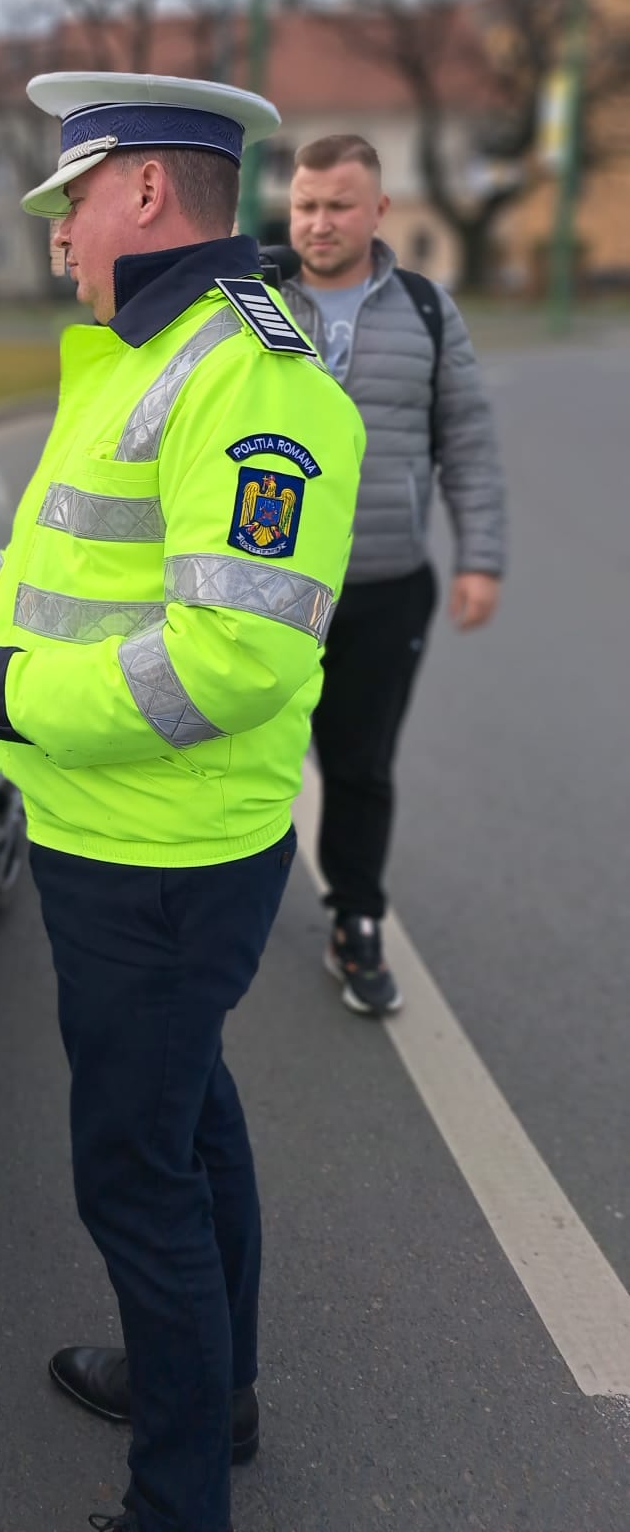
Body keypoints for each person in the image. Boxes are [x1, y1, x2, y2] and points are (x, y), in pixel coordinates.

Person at [0, 73, 365, 1532]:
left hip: (163, 856)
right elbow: (33, 587)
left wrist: (7, 700)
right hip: (125, 843)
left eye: (70, 201)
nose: (53, 234)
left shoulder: (250, 375)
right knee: (187, 1121)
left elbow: (234, 656)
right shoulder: (131, 358)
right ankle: (214, 1391)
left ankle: (181, 1499)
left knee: (135, 1176)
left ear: (148, 192)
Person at [280, 133, 506, 1015]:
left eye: (339, 205)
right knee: (234, 756)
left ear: (379, 211)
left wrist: (479, 558)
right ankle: (224, 909)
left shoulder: (424, 308)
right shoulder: (253, 299)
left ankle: (355, 917)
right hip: (265, 589)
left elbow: (470, 443)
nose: (319, 222)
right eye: (305, 205)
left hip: (382, 585)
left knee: (360, 766)